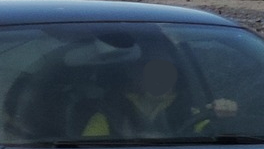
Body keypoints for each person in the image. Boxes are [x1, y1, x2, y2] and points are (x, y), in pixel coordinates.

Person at [79, 58, 237, 138]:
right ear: (137, 78)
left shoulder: (191, 111)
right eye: (152, 74)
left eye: (166, 74)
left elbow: (218, 139)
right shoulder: (109, 113)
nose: (159, 80)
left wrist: (226, 116)